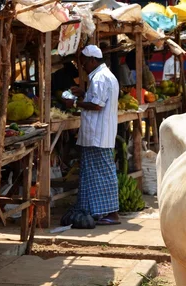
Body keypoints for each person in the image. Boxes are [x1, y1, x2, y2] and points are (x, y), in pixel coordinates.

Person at [64, 45, 120, 226]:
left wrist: (75, 104)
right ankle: (97, 211)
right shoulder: (103, 76)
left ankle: (111, 213)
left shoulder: (100, 77)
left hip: (99, 135)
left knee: (103, 174)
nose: (83, 67)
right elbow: (96, 99)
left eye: (84, 63)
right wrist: (84, 93)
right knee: (92, 174)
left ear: (92, 60)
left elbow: (97, 105)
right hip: (98, 135)